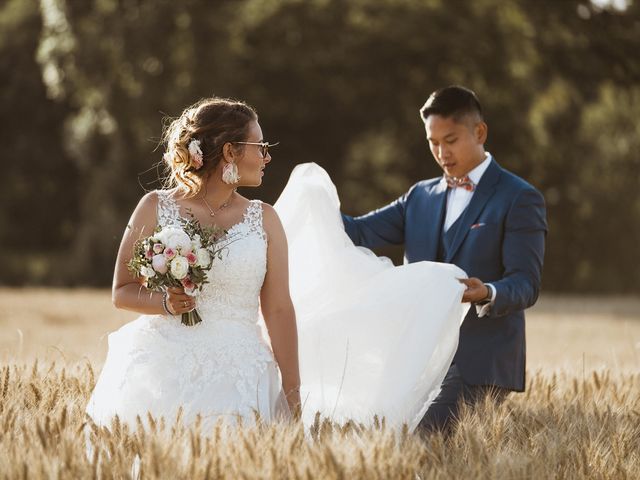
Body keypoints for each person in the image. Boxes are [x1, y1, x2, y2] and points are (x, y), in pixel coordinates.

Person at [341, 85, 548, 433]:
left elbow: (526, 283)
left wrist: (487, 292)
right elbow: (357, 232)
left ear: (479, 132)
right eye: (432, 142)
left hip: (480, 362)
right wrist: (305, 204)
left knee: (421, 441)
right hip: (416, 358)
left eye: (450, 140)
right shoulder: (419, 196)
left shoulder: (520, 198)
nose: (441, 152)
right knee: (373, 436)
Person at [86, 98, 300, 430]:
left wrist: (292, 393)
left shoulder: (266, 220)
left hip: (241, 374)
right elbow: (122, 291)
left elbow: (279, 310)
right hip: (164, 371)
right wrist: (167, 304)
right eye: (260, 146)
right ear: (230, 152)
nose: (267, 157)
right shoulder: (154, 207)